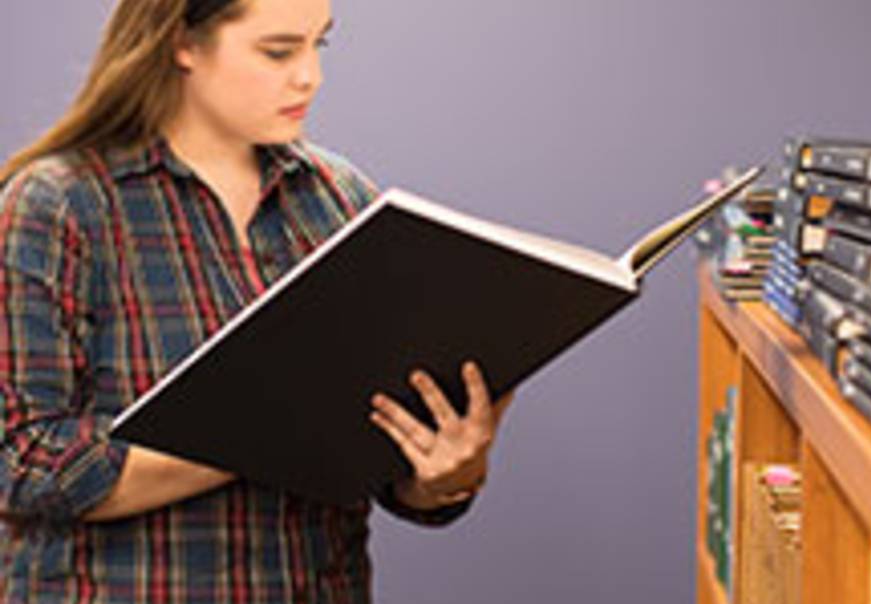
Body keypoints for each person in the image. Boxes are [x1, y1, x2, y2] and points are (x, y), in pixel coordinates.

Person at [0, 0, 514, 601]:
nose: (309, 77)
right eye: (278, 51)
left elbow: (383, 470)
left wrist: (447, 475)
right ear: (182, 43)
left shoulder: (340, 199)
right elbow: (22, 462)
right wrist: (275, 433)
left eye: (317, 45)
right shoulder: (57, 206)